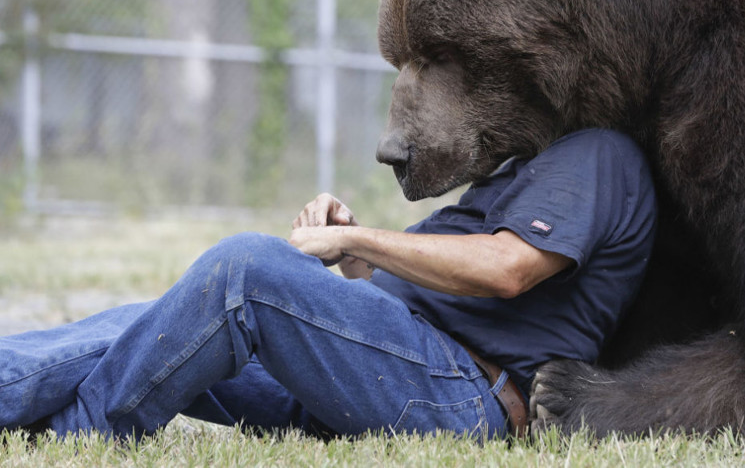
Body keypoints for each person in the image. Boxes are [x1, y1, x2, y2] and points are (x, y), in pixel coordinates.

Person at [0, 128, 655, 441]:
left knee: (244, 272)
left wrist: (357, 240)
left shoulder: (596, 154)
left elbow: (508, 270)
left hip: (460, 396)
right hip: (398, 371)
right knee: (157, 322)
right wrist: (356, 259)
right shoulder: (528, 168)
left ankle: (81, 438)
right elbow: (412, 298)